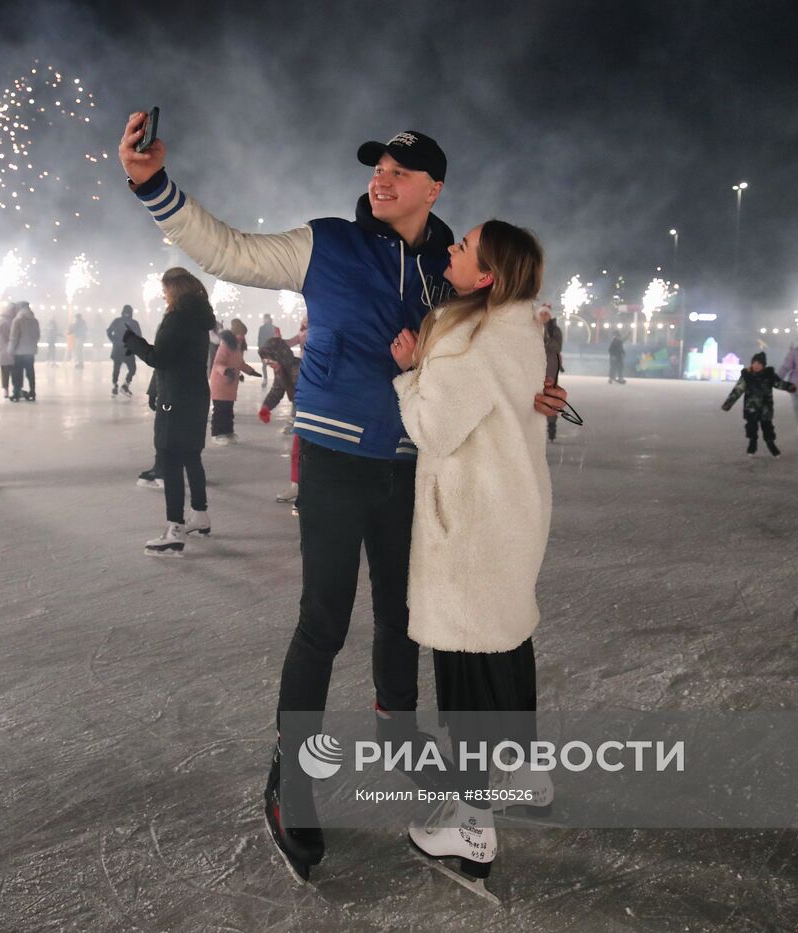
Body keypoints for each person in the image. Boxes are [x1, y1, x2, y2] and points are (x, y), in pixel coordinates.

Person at [118, 115, 569, 882]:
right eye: (377, 168)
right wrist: (153, 185)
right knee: (323, 620)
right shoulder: (327, 242)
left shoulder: (451, 269)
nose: (380, 180)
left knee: (402, 617)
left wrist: (538, 391)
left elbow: (501, 339)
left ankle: (400, 739)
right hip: (332, 455)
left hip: (410, 465)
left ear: (433, 188)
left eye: (399, 171)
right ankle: (291, 776)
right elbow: (229, 250)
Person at [389, 220, 551, 897]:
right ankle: (523, 772)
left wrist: (410, 375)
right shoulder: (521, 329)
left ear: (487, 276)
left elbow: (433, 428)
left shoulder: (471, 341)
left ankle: (473, 826)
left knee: (466, 675)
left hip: (470, 529)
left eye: (463, 248)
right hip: (510, 516)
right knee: (505, 647)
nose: (451, 250)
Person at [121, 268, 216, 555]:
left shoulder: (178, 319)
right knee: (191, 456)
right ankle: (200, 514)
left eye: (165, 290)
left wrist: (134, 342)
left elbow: (159, 358)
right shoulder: (199, 319)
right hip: (196, 396)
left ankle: (175, 528)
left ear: (175, 291)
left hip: (175, 398)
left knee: (171, 458)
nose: (163, 296)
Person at [722, 352, 796, 457]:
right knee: (751, 427)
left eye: (759, 363)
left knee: (767, 428)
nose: (756, 365)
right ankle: (752, 444)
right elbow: (738, 390)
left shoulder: (769, 375)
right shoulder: (747, 376)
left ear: (763, 365)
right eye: (754, 363)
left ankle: (771, 445)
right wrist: (728, 403)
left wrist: (789, 386)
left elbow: (779, 383)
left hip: (765, 409)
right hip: (750, 408)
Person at [258, 335, 301, 504]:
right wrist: (266, 407)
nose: (268, 364)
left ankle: (300, 486)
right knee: (299, 452)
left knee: (300, 452)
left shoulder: (298, 369)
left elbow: (307, 395)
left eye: (270, 360)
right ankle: (298, 485)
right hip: (301, 413)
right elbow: (277, 390)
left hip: (310, 413)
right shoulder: (282, 370)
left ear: (280, 357)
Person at [209, 317, 260, 444]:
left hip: (231, 384)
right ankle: (217, 434)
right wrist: (226, 371)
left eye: (244, 334)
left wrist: (251, 371)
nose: (242, 337)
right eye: (240, 334)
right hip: (220, 383)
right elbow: (217, 364)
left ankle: (228, 432)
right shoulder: (225, 345)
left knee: (228, 410)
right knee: (220, 410)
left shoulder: (237, 347)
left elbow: (240, 363)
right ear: (234, 334)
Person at [537, 305, 563, 441]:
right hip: (534, 365)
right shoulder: (532, 327)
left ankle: (551, 425)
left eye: (546, 314)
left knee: (549, 393)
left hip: (550, 366)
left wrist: (546, 337)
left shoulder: (554, 330)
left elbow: (557, 347)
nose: (543, 316)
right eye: (541, 314)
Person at [106, 304, 143, 396]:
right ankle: (125, 384)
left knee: (117, 368)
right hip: (128, 349)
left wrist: (114, 340)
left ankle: (115, 385)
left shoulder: (117, 321)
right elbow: (139, 336)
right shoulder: (134, 323)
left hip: (119, 348)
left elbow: (109, 331)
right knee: (132, 369)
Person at [8, 302, 40, 401]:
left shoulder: (17, 320)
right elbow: (37, 335)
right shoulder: (35, 320)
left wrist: (11, 349)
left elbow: (14, 337)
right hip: (30, 351)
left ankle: (16, 393)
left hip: (19, 351)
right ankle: (32, 392)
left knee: (17, 373)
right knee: (30, 372)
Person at [0, 302, 20, 392]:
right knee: (15, 371)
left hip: (3, 349)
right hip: (14, 348)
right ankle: (16, 389)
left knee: (4, 371)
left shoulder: (0, 320)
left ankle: (6, 389)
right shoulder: (16, 320)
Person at [257, 313, 279, 387]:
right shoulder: (262, 328)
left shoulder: (274, 328)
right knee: (265, 365)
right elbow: (259, 339)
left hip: (271, 349)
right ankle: (265, 379)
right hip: (265, 349)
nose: (264, 320)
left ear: (268, 319)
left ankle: (273, 380)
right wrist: (259, 348)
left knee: (273, 365)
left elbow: (277, 339)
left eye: (265, 318)